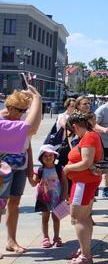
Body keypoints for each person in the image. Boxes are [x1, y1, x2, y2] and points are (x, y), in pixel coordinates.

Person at [1, 89, 38, 255]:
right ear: (10, 108)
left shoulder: (21, 118)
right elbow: (32, 128)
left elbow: (28, 145)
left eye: (26, 110)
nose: (24, 114)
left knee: (14, 204)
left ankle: (11, 240)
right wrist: (38, 99)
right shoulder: (2, 122)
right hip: (2, 170)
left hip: (20, 167)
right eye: (21, 110)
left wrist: (30, 171)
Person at [64, 111, 104, 264]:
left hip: (83, 182)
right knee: (85, 217)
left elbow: (86, 163)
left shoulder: (88, 138)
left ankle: (85, 255)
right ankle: (84, 250)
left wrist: (67, 168)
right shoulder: (91, 135)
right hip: (84, 182)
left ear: (75, 126)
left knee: (78, 218)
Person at [29, 144, 67, 249]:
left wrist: (65, 194)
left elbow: (64, 182)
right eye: (45, 156)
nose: (48, 158)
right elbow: (33, 183)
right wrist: (29, 174)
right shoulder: (40, 170)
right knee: (45, 218)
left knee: (56, 217)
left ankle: (56, 237)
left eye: (51, 155)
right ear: (41, 158)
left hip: (57, 196)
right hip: (44, 197)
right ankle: (45, 238)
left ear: (54, 156)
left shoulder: (60, 168)